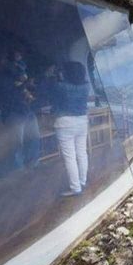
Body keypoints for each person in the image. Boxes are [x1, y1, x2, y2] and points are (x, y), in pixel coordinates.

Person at [0, 51, 40, 171]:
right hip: (13, 113)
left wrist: (29, 85)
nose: (15, 63)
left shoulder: (18, 71)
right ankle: (18, 171)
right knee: (16, 144)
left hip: (27, 111)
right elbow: (8, 94)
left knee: (34, 139)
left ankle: (33, 165)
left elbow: (29, 88)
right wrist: (24, 84)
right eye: (14, 60)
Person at [50, 61, 90, 197]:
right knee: (82, 153)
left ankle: (75, 188)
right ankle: (82, 181)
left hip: (65, 122)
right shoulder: (86, 86)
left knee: (70, 157)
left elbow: (51, 89)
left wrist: (56, 75)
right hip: (82, 121)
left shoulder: (61, 86)